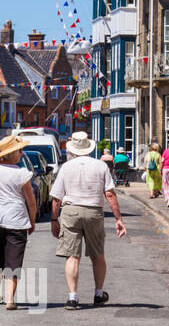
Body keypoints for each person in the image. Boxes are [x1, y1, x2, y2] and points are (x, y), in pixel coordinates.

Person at [50, 131, 127, 310]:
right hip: (94, 211)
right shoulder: (101, 166)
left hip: (71, 212)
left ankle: (72, 297)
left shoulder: (66, 167)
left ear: (72, 149)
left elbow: (56, 198)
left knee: (72, 256)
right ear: (89, 148)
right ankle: (99, 294)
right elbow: (109, 193)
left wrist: (54, 219)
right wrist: (118, 219)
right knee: (97, 255)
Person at [0, 134, 38, 310]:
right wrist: (32, 220)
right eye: (20, 151)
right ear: (12, 153)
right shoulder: (22, 173)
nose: (22, 154)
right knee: (13, 260)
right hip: (16, 220)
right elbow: (31, 202)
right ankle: (9, 299)